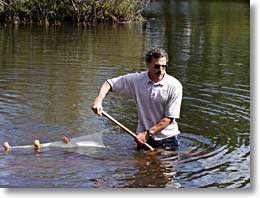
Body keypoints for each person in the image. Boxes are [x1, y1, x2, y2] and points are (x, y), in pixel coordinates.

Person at [91, 48, 182, 150]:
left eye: (164, 66)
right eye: (157, 66)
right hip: (142, 137)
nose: (161, 70)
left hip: (167, 138)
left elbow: (169, 118)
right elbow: (109, 84)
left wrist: (147, 134)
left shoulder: (175, 85)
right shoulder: (137, 80)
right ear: (148, 64)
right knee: (140, 164)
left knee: (162, 165)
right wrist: (98, 101)